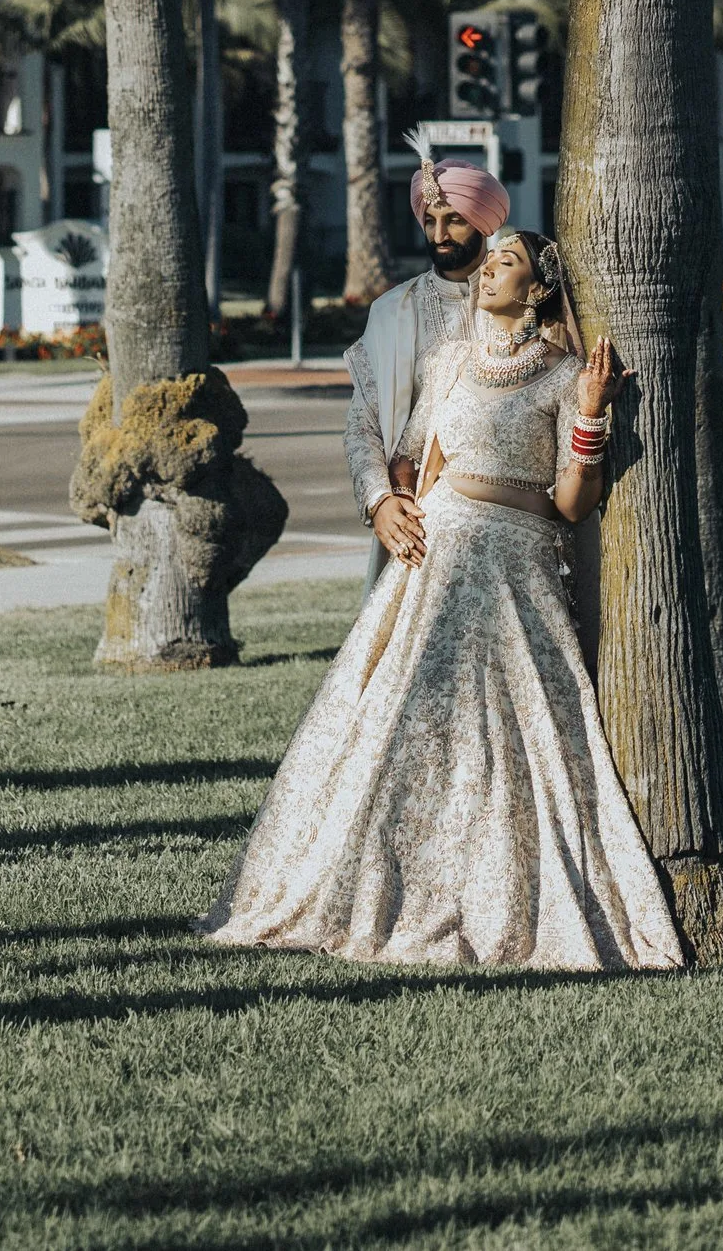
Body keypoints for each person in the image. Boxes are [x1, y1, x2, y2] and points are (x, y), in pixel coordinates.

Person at [200, 222, 685, 970]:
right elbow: (406, 457)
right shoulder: (449, 361)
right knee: (401, 730)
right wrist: (389, 506)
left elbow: (572, 503)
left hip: (520, 562)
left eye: (508, 262)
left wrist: (590, 412)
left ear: (539, 287)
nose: (489, 270)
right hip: (437, 557)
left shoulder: (562, 374)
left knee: (519, 744)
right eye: (488, 261)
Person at [342, 140, 507, 588]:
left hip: (513, 513)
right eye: (430, 221)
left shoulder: (524, 299)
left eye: (454, 220)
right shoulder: (394, 311)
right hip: (420, 514)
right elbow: (364, 424)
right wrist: (380, 502)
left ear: (483, 221)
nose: (439, 235)